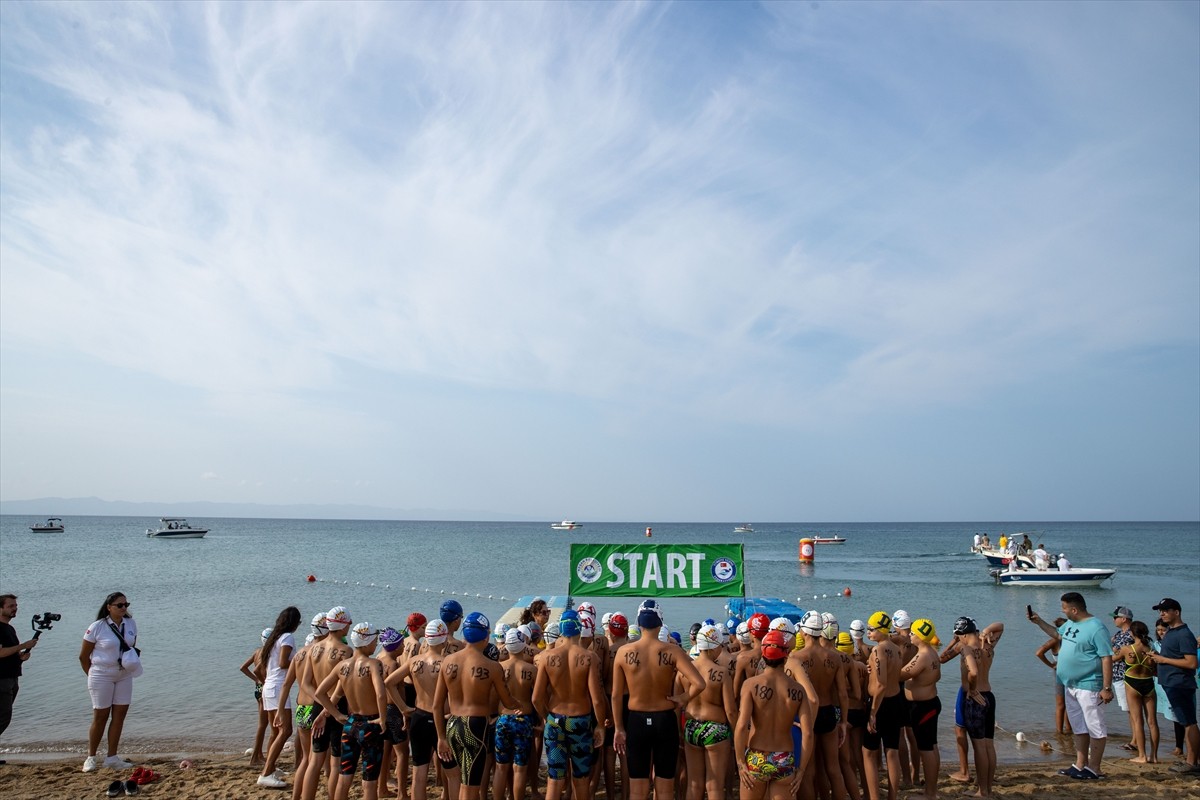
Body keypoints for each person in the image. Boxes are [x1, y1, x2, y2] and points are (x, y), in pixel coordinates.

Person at [612, 599, 704, 800]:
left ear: (638, 623)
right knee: (664, 789)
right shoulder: (672, 651)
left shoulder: (624, 652)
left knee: (637, 790)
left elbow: (616, 695)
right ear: (660, 623)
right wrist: (682, 698)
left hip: (636, 721)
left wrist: (619, 728)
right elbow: (699, 683)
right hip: (664, 720)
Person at [1028, 592, 1112, 780]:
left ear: (1074, 609)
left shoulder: (1096, 627)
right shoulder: (1071, 623)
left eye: (1064, 608)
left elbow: (1106, 657)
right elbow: (1057, 634)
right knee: (1079, 726)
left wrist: (1106, 688)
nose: (1062, 610)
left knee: (1095, 726)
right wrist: (1038, 621)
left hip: (1089, 684)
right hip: (1070, 684)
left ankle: (1095, 768)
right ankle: (1080, 764)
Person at [436, 612, 517, 800]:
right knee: (471, 786)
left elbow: (436, 705)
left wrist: (441, 737)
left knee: (462, 781)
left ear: (464, 635)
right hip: (475, 727)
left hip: (453, 725)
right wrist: (518, 703)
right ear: (487, 636)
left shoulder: (448, 661)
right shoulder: (492, 666)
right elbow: (507, 702)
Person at [532, 610, 607, 800]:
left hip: (555, 720)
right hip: (580, 722)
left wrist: (546, 717)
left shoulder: (547, 657)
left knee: (555, 778)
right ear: (579, 629)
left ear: (562, 631)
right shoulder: (589, 657)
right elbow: (597, 699)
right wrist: (600, 725)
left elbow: (536, 698)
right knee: (581, 778)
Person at [313, 622, 389, 800]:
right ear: (367, 641)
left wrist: (336, 714)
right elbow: (380, 694)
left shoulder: (342, 666)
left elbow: (320, 693)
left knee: (344, 776)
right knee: (369, 781)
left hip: (350, 724)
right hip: (371, 724)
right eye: (374, 640)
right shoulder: (373, 664)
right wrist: (383, 718)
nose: (376, 644)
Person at [385, 618, 460, 800]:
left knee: (419, 772)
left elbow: (389, 683)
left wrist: (404, 708)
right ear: (443, 640)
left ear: (427, 639)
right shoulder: (448, 664)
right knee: (453, 772)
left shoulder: (414, 662)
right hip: (441, 720)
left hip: (418, 717)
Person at [733, 630, 811, 800]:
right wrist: (801, 769)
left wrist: (740, 762)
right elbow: (807, 733)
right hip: (784, 758)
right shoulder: (798, 690)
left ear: (763, 654)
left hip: (756, 757)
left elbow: (741, 726)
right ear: (787, 655)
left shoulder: (750, 685)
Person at [79, 591, 140, 773]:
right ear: (109, 607)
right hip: (101, 674)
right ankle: (91, 757)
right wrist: (91, 675)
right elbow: (83, 656)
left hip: (123, 674)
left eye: (126, 604)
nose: (123, 608)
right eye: (119, 605)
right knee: (101, 716)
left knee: (119, 716)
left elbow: (130, 646)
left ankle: (112, 757)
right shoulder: (97, 626)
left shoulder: (130, 623)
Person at [302, 606, 355, 800]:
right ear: (342, 626)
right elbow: (341, 686)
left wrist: (321, 706)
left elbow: (307, 684)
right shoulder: (346, 651)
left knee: (315, 761)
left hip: (319, 707)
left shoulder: (314, 648)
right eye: (348, 623)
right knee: (336, 763)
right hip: (336, 710)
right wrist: (329, 711)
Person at [683, 624, 738, 800]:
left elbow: (678, 704)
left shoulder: (685, 670)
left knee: (694, 783)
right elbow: (730, 711)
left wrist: (679, 730)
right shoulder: (722, 673)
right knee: (714, 787)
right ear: (714, 647)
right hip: (715, 729)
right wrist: (737, 734)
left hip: (691, 728)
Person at [1149, 598, 1199, 774]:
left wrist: (1163, 660)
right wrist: (1157, 660)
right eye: (1160, 610)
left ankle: (1192, 763)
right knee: (1185, 722)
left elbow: (1192, 663)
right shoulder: (1171, 632)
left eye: (1165, 610)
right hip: (1171, 683)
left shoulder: (1184, 634)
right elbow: (1173, 657)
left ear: (1176, 612)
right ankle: (1190, 761)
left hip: (1180, 684)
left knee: (1189, 723)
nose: (1161, 613)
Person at [955, 616, 1003, 798]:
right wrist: (986, 631)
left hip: (976, 699)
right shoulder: (987, 646)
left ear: (963, 635)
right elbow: (1000, 626)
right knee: (989, 745)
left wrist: (973, 690)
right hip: (989, 696)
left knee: (979, 747)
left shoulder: (967, 648)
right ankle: (988, 789)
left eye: (958, 636)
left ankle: (982, 791)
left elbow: (973, 672)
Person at [257, 606, 302, 789]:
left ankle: (271, 767)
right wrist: (302, 662)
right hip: (277, 688)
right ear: (294, 623)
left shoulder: (273, 639)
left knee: (275, 731)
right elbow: (284, 662)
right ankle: (266, 773)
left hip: (269, 686)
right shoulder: (287, 637)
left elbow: (261, 668)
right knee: (286, 731)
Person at [493, 628, 539, 800]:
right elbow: (536, 698)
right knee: (520, 768)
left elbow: (493, 695)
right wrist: (541, 718)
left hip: (503, 718)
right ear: (523, 646)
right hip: (523, 720)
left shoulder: (498, 668)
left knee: (500, 767)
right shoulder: (531, 669)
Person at [900, 619, 942, 800]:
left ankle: (930, 793)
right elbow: (937, 677)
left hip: (923, 707)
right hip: (929, 703)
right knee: (931, 746)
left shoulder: (923, 655)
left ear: (919, 636)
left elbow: (902, 674)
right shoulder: (932, 653)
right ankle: (931, 789)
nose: (910, 635)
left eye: (912, 633)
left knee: (926, 749)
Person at [1115, 620, 1159, 763]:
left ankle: (1142, 755)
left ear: (1132, 633)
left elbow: (1112, 659)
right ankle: (1154, 756)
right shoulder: (1151, 650)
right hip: (1148, 684)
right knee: (1152, 722)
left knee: (1137, 721)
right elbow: (1156, 670)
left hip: (1132, 684)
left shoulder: (1127, 649)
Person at [0, 594, 38, 756]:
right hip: (2, 679)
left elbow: (9, 653)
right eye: (10, 606)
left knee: (4, 717)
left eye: (15, 606)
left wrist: (21, 655)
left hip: (12, 676)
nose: (14, 608)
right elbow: (0, 653)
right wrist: (23, 645)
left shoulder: (9, 628)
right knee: (3, 717)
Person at [238, 628, 271, 767]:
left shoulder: (258, 651)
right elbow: (256, 669)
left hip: (258, 689)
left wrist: (256, 680)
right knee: (263, 725)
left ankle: (259, 755)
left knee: (263, 724)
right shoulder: (267, 654)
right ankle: (255, 758)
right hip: (264, 689)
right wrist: (262, 681)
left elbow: (243, 668)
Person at [1034, 618, 1072, 735]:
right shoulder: (1055, 640)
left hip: (1071, 674)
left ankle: (1068, 730)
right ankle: (1059, 732)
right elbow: (1039, 652)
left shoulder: (1071, 640)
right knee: (1062, 705)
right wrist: (1051, 665)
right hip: (1061, 674)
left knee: (1069, 704)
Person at [1110, 607, 1136, 750]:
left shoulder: (1130, 635)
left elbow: (1119, 654)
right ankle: (1134, 739)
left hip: (1125, 675)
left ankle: (1135, 741)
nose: (1114, 620)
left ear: (1124, 619)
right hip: (1118, 676)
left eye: (1115, 617)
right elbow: (1112, 648)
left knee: (1132, 710)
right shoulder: (1120, 634)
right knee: (1129, 710)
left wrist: (1112, 654)